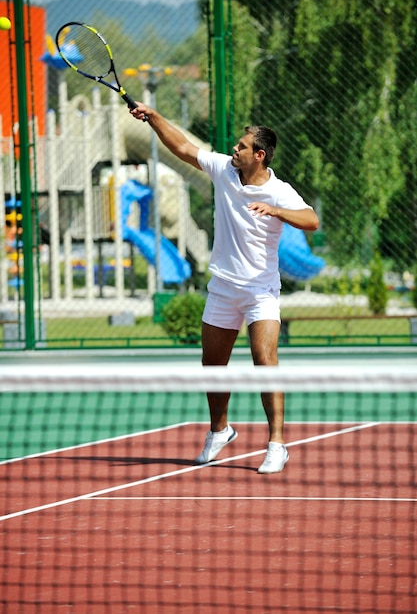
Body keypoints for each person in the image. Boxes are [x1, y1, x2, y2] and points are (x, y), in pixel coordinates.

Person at [130, 104, 320, 473]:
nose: (234, 150)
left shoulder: (280, 191)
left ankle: (277, 444)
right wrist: (153, 117)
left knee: (265, 363)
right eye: (236, 145)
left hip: (261, 291)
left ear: (259, 155)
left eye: (242, 147)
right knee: (213, 366)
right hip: (222, 288)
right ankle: (220, 430)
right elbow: (183, 148)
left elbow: (311, 219)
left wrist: (278, 211)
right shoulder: (223, 170)